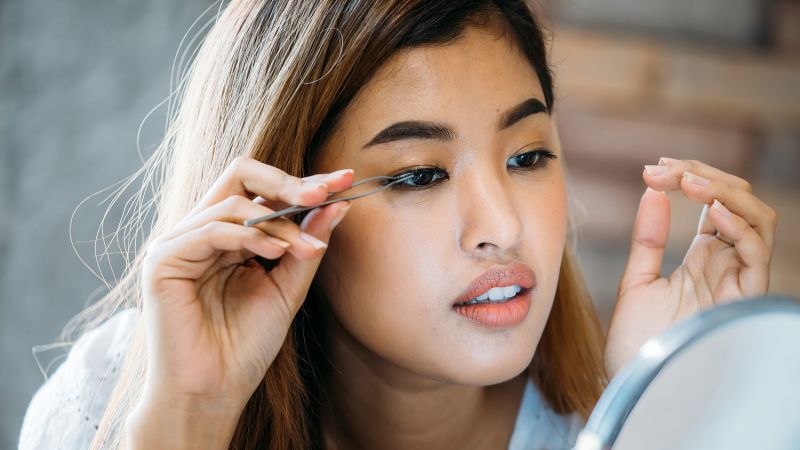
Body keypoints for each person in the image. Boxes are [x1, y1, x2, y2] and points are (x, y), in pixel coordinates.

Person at [19, 1, 778, 449]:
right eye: (420, 174)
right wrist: (189, 415)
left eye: (528, 156)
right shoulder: (113, 400)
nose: (502, 228)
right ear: (283, 204)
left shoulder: (620, 426)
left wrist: (665, 404)